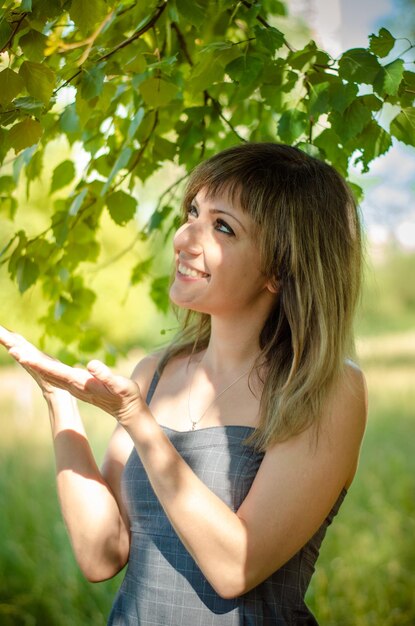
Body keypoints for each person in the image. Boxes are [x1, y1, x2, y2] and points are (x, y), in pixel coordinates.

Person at [0, 143, 367, 625]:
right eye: (193, 211)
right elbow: (101, 555)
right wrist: (58, 400)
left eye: (221, 226)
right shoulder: (156, 373)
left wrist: (139, 424)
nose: (183, 238)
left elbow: (236, 568)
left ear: (279, 268)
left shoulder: (326, 388)